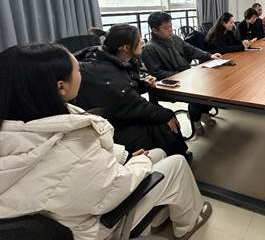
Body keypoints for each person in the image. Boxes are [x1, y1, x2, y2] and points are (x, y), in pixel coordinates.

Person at [0, 43, 212, 240]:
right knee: (176, 164)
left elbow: (81, 170)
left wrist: (125, 157)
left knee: (158, 153)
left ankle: (160, 215)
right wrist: (138, 162)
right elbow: (113, 189)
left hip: (64, 210)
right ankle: (188, 224)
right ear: (61, 87)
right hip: (94, 227)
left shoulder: (20, 125)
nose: (83, 73)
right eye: (79, 70)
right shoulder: (72, 146)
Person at [76, 24, 192, 160]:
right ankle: (176, 159)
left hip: (120, 111)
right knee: (165, 121)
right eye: (139, 40)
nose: (142, 42)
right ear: (125, 47)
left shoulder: (112, 58)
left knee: (162, 116)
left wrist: (142, 84)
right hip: (111, 125)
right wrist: (167, 114)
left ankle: (177, 155)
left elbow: (126, 89)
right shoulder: (106, 72)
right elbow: (133, 104)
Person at [142, 12, 222, 136]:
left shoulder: (174, 38)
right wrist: (182, 76)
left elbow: (191, 49)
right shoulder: (149, 49)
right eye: (166, 27)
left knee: (211, 83)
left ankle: (203, 112)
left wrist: (209, 55)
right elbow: (157, 73)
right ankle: (195, 118)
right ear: (155, 30)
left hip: (186, 76)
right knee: (197, 92)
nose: (170, 29)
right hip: (168, 86)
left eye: (171, 26)